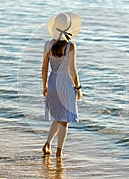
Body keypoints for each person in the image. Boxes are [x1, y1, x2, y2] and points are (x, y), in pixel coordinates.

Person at [42, 12, 82, 157]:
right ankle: (59, 153)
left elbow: (44, 68)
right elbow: (72, 70)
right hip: (65, 84)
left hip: (53, 82)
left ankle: (47, 144)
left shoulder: (47, 45)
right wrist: (78, 88)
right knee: (64, 121)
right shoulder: (70, 46)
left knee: (58, 117)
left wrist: (44, 86)